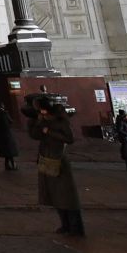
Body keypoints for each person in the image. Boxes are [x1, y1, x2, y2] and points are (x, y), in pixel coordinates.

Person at [27, 100, 83, 236]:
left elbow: (69, 138)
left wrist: (49, 132)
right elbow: (35, 135)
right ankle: (65, 224)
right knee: (54, 195)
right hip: (47, 159)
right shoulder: (43, 121)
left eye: (42, 110)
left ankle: (75, 227)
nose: (41, 113)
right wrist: (37, 122)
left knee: (67, 195)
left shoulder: (61, 121)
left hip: (59, 159)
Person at [0, 104, 19, 171]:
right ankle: (13, 165)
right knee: (10, 150)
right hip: (7, 134)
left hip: (0, 134)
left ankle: (7, 165)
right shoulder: (4, 113)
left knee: (6, 151)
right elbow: (10, 121)